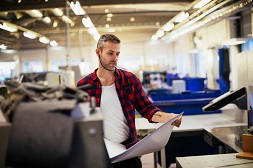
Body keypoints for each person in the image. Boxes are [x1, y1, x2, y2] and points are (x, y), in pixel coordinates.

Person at [77, 34, 182, 168]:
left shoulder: (129, 80)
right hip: (99, 154)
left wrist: (169, 117)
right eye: (110, 53)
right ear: (98, 52)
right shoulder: (84, 86)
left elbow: (147, 109)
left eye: (117, 54)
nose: (115, 58)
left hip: (128, 151)